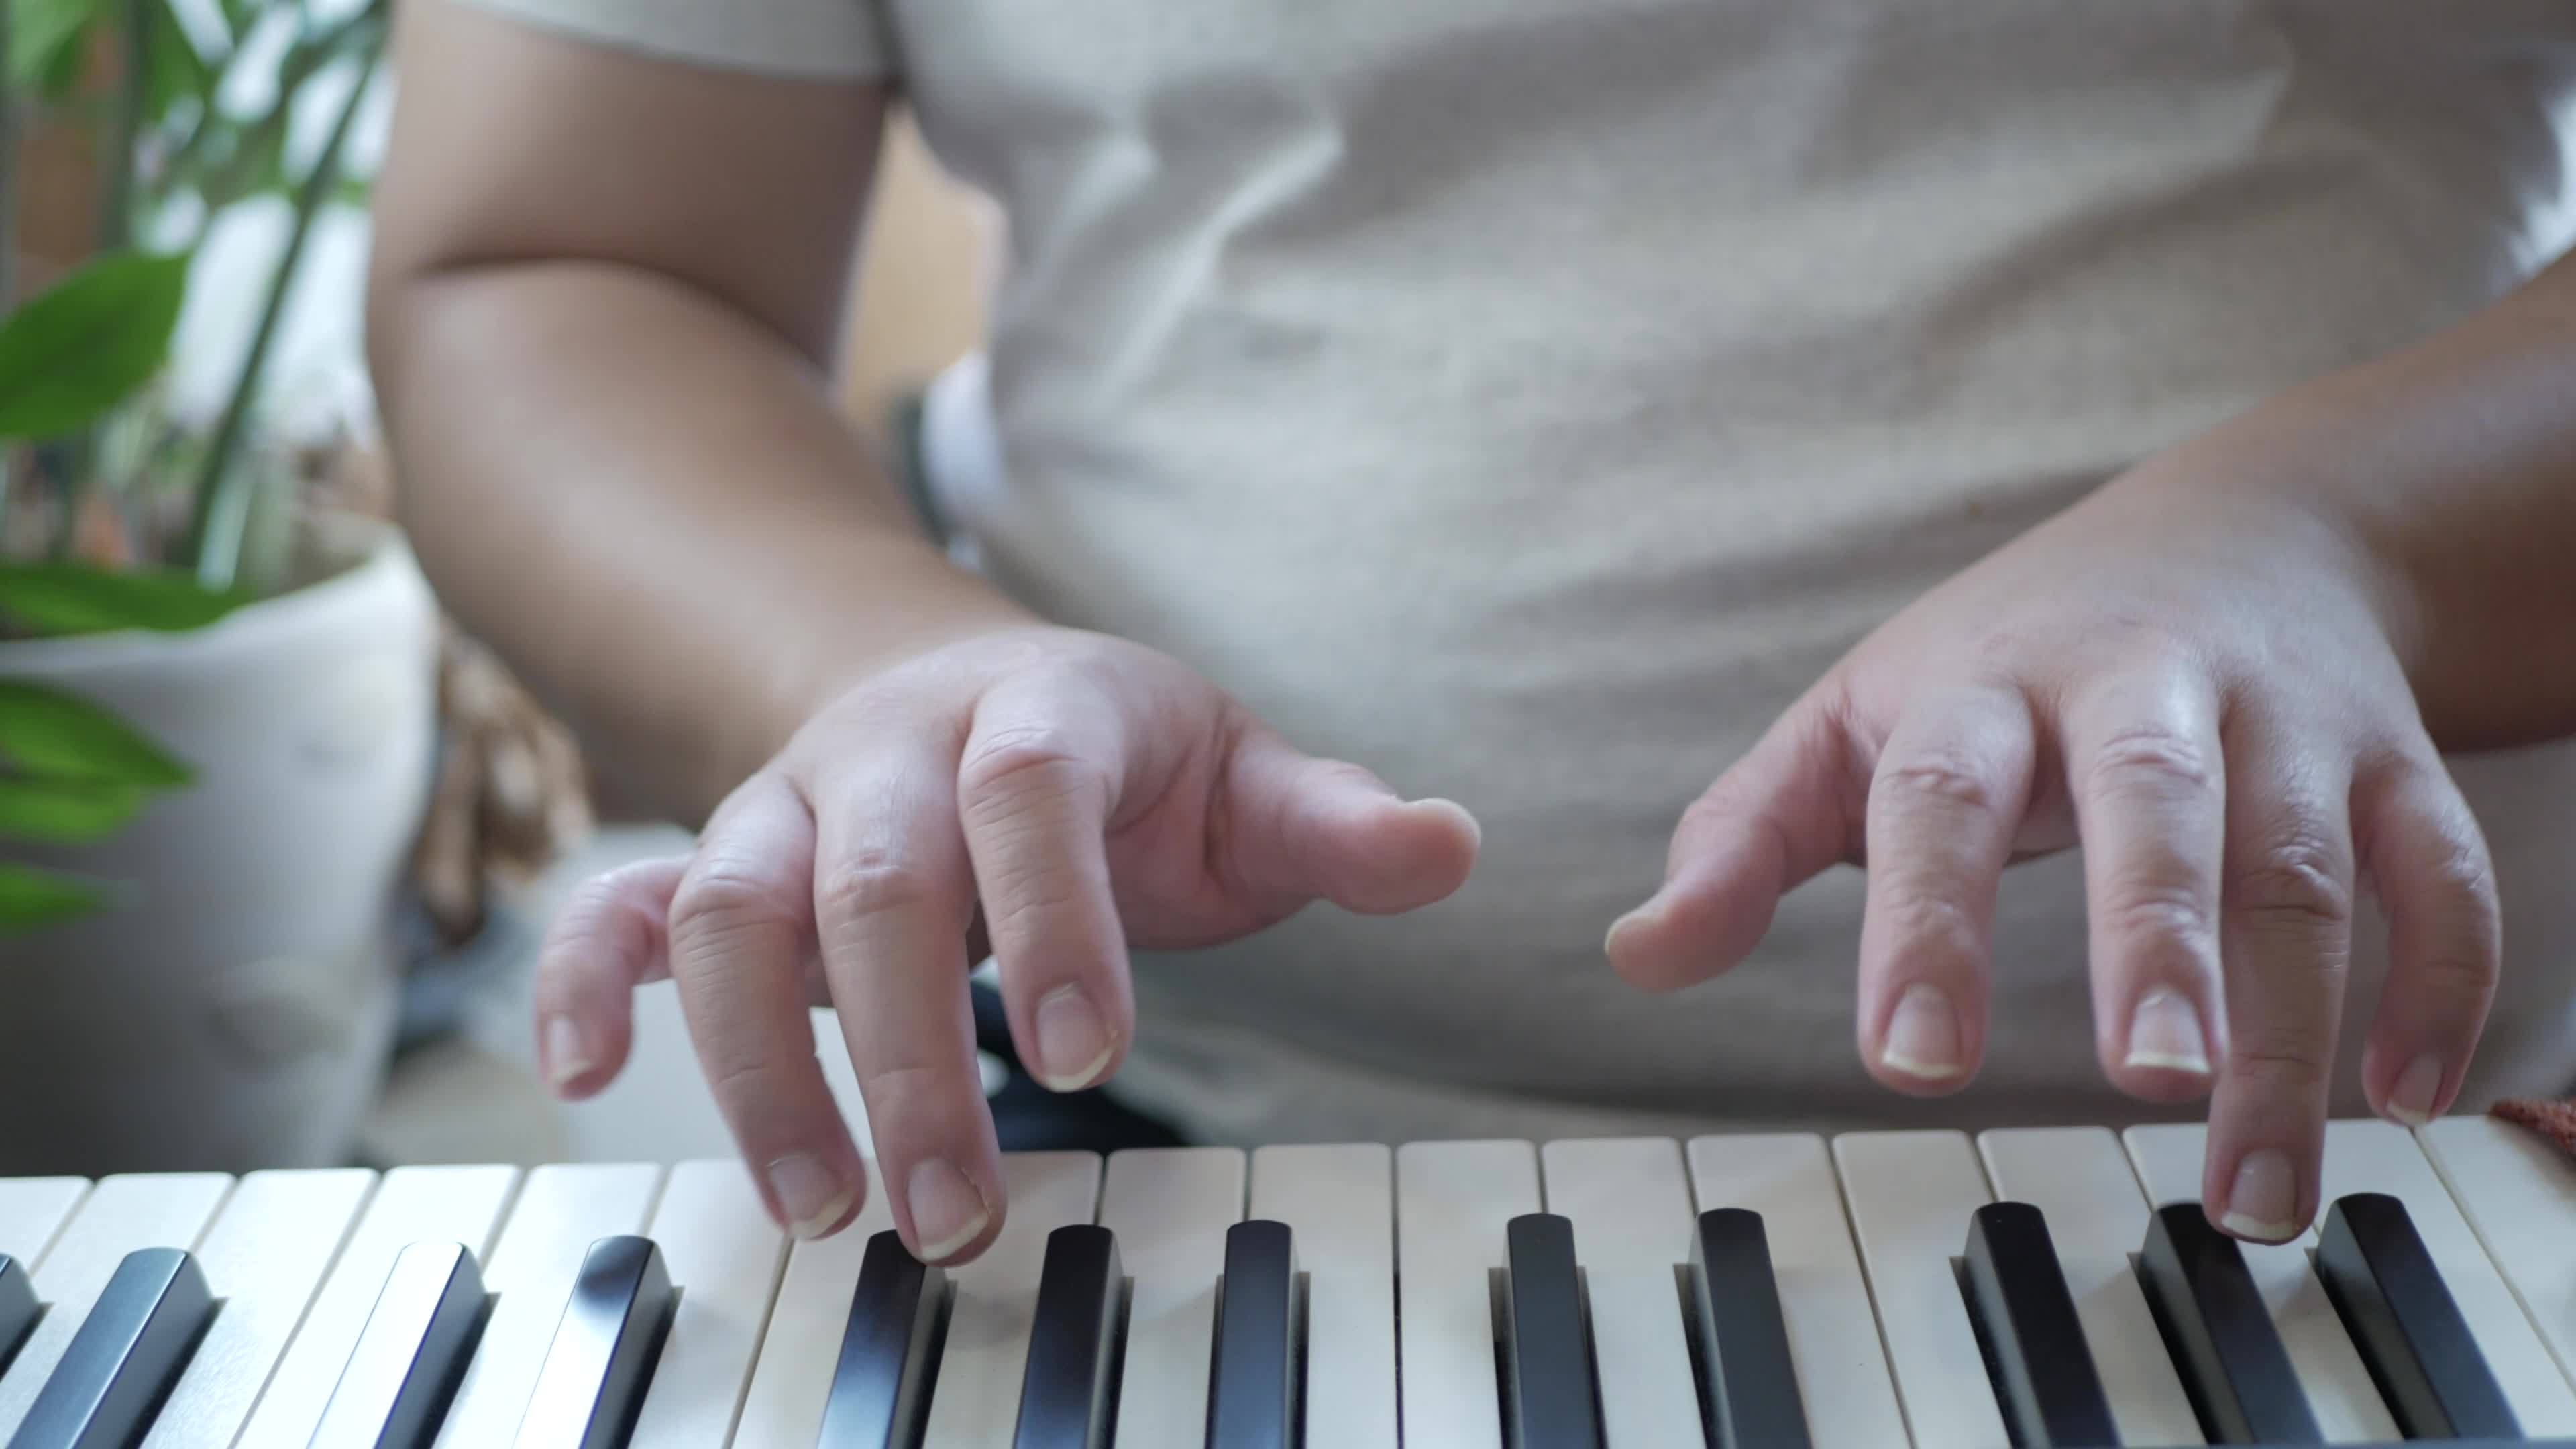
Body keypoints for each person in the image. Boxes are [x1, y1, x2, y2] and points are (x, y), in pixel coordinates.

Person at [363, 0, 2576, 1267]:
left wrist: (2331, 538)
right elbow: (562, 263)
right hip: (1162, 1144)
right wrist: (865, 670)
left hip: (2430, 1168)